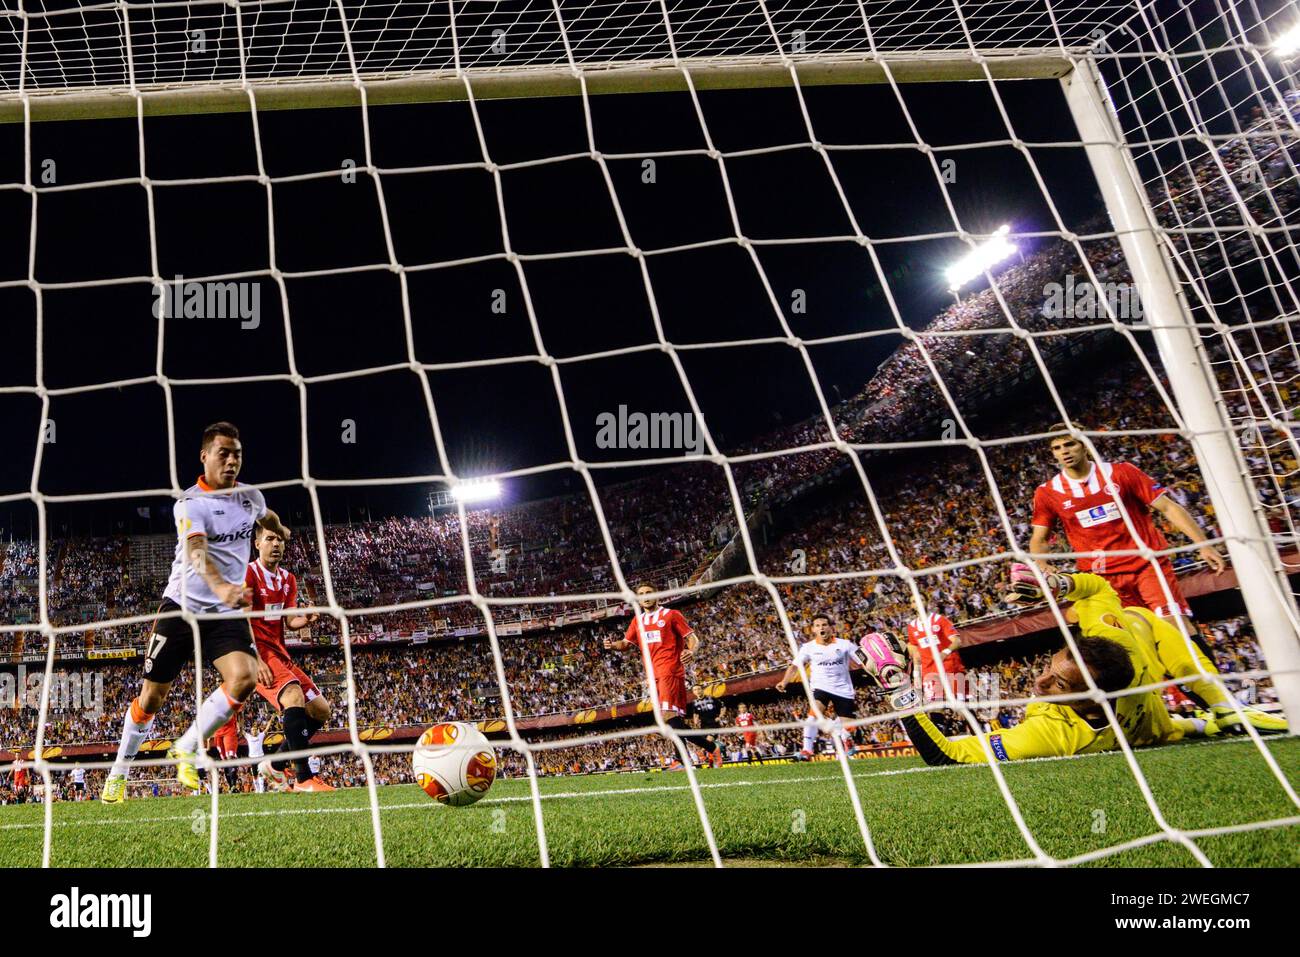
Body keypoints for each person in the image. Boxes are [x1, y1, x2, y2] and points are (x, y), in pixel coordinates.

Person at [894, 567, 1286, 765]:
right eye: (1050, 666)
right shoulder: (1110, 638)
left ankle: (1221, 710)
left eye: (1058, 685)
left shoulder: (1053, 735)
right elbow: (1098, 587)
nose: (1040, 681)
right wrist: (1056, 584)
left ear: (1092, 702)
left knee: (1182, 687)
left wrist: (896, 686)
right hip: (1141, 629)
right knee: (1180, 702)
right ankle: (1221, 710)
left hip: (1154, 720)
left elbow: (946, 755)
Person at [102, 421, 291, 804]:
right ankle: (118, 772)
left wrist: (279, 528)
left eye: (237, 453)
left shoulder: (249, 496)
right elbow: (196, 550)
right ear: (204, 456)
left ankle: (185, 746)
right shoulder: (190, 504)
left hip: (223, 614)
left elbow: (265, 517)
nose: (232, 460)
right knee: (151, 698)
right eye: (224, 453)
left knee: (244, 677)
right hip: (182, 608)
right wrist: (222, 585)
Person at [1028, 423, 1224, 652]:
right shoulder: (1047, 492)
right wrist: (1042, 565)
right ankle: (1171, 688)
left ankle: (1211, 682)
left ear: (1084, 446)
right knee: (1138, 639)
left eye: (1070, 444)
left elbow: (1168, 508)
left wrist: (1204, 545)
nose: (1064, 451)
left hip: (1146, 565)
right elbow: (1039, 538)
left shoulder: (1121, 473)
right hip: (1102, 579)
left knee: (1174, 625)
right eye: (1057, 447)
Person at [246, 526, 333, 792]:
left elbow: (289, 620)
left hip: (279, 653)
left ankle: (274, 764)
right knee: (293, 697)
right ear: (257, 543)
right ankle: (303, 778)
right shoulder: (248, 573)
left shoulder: (288, 579)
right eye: (270, 539)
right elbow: (239, 618)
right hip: (255, 653)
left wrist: (305, 618)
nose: (276, 544)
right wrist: (255, 658)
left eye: (280, 540)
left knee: (320, 710)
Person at [603, 584, 709, 768]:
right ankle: (707, 749)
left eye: (649, 593)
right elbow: (625, 643)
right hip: (653, 676)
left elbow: (693, 639)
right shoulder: (638, 621)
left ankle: (687, 758)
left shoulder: (671, 615)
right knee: (667, 720)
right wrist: (612, 645)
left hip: (670, 670)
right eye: (641, 594)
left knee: (667, 716)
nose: (645, 596)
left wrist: (691, 651)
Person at [776, 612, 870, 758]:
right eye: (818, 625)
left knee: (849, 727)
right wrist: (784, 681)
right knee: (813, 716)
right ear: (813, 629)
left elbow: (864, 660)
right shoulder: (808, 647)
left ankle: (846, 738)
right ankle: (807, 750)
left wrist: (877, 670)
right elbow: (795, 666)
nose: (821, 628)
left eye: (824, 625)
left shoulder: (844, 644)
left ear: (831, 628)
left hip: (843, 689)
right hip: (821, 687)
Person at [905, 611, 966, 703]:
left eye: (921, 599)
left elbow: (957, 641)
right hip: (928, 671)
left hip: (949, 667)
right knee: (935, 707)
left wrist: (945, 652)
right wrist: (916, 675)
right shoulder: (912, 626)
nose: (917, 602)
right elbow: (916, 654)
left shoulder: (939, 619)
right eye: (913, 601)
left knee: (961, 705)